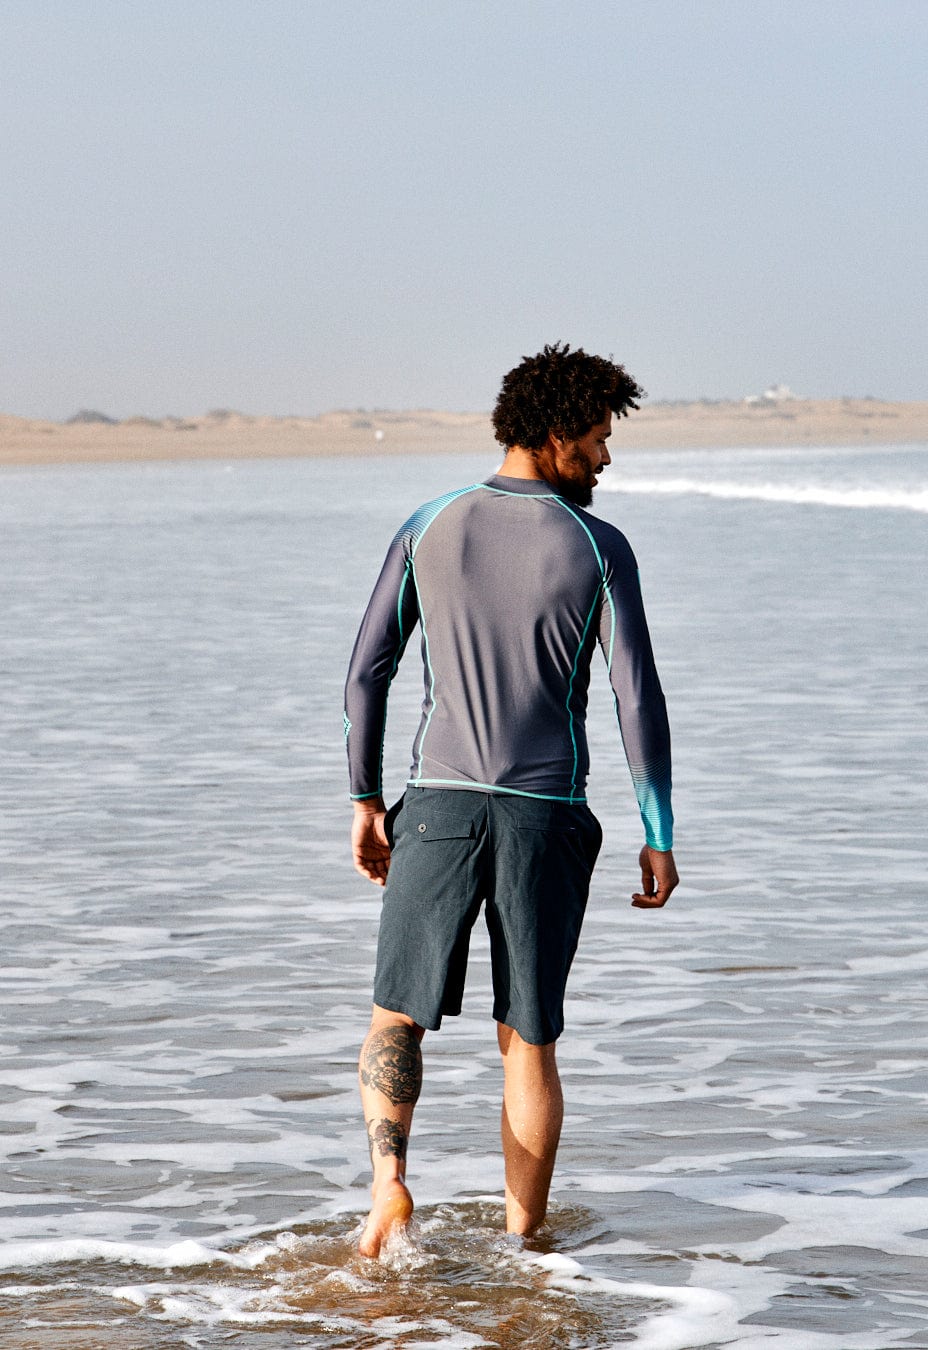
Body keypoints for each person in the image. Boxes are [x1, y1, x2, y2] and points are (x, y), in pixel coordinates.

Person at [344, 342, 678, 1257]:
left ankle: (389, 1187)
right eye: (600, 441)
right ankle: (526, 1245)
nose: (607, 459)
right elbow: (635, 695)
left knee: (395, 1014)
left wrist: (366, 798)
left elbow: (368, 671)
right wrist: (659, 832)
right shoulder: (599, 547)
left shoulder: (430, 522)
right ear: (557, 432)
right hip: (545, 815)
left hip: (439, 806)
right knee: (527, 1039)